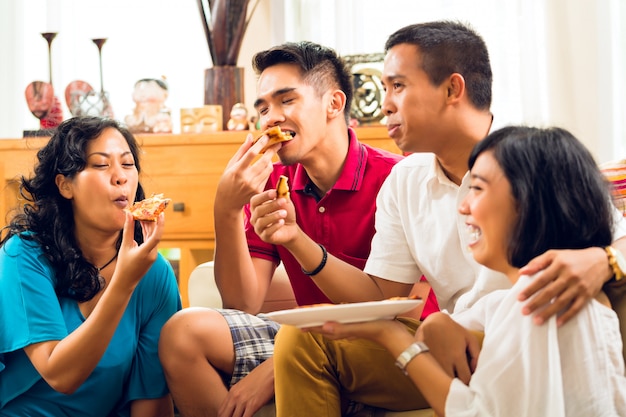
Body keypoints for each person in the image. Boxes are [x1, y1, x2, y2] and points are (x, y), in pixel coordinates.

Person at [271, 21, 626, 416]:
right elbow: (380, 296)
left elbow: (611, 234)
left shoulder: (532, 158)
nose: (386, 104)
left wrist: (604, 259)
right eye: (385, 89)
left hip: (536, 321)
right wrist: (295, 238)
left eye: (398, 86)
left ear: (452, 89)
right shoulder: (404, 179)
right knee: (302, 338)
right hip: (453, 342)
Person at [157, 41, 408, 416]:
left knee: (302, 350)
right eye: (263, 108)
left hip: (380, 344)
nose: (270, 118)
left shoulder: (395, 179)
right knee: (182, 333)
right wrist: (226, 210)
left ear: (334, 104)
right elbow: (242, 304)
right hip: (303, 337)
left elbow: (405, 310)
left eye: (286, 101)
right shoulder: (274, 182)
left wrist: (276, 367)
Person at [308, 126, 626, 416]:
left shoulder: (541, 302)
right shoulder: (510, 301)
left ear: (531, 201)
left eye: (478, 188)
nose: (463, 206)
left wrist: (391, 336)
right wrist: (425, 325)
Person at [0, 116, 182, 416]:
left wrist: (131, 277)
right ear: (65, 185)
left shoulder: (154, 272)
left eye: (127, 164)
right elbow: (61, 375)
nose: (120, 177)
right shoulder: (25, 255)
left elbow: (151, 398)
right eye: (100, 165)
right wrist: (124, 283)